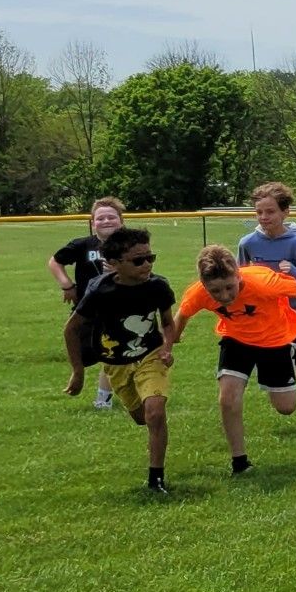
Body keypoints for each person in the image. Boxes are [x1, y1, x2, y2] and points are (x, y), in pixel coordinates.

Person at [169, 245, 296, 478]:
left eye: (229, 287)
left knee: (286, 408)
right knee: (228, 397)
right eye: (215, 291)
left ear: (238, 274)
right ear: (204, 285)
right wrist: (172, 340)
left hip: (274, 341)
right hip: (236, 340)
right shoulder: (198, 293)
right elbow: (182, 314)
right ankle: (240, 462)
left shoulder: (263, 282)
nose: (224, 297)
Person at [64, 226, 176, 492]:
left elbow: (168, 324)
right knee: (142, 417)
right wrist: (78, 372)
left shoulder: (158, 286)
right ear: (114, 264)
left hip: (150, 354)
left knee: (156, 412)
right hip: (116, 363)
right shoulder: (100, 291)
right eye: (138, 260)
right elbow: (71, 329)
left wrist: (167, 348)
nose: (147, 264)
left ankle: (156, 478)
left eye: (150, 257)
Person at [237, 182, 296, 426]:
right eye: (259, 212)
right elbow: (240, 279)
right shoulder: (247, 243)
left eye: (270, 212)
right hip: (268, 318)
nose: (264, 217)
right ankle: (283, 397)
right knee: (277, 370)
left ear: (285, 212)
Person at [49, 197, 127, 409]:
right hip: (87, 309)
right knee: (83, 354)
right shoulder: (82, 245)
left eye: (112, 217)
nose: (106, 221)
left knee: (112, 354)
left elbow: (142, 271)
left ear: (121, 221)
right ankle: (79, 375)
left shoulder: (130, 245)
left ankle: (103, 400)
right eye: (100, 218)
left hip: (118, 308)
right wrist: (66, 285)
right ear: (93, 223)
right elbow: (55, 261)